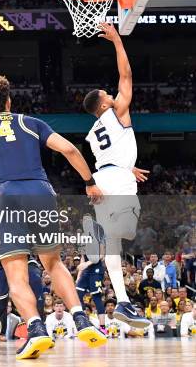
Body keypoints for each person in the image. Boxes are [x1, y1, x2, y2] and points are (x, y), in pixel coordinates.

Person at [0, 76, 106, 359]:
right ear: (9, 101)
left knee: (17, 274)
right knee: (54, 263)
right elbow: (70, 149)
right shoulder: (31, 122)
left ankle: (36, 330)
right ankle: (81, 319)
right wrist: (89, 181)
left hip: (5, 196)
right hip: (41, 192)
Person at [82, 23, 150, 329]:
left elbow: (107, 157)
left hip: (104, 178)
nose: (113, 94)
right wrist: (118, 42)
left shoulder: (94, 131)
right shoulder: (116, 112)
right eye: (108, 95)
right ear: (105, 104)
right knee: (130, 232)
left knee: (114, 244)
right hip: (117, 182)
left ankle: (122, 302)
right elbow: (126, 77)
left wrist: (127, 165)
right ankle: (96, 237)